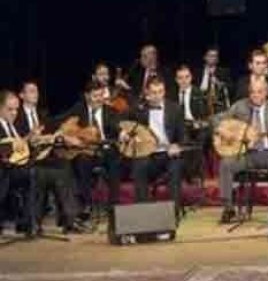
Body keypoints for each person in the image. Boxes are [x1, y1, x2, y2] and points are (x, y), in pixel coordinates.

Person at [15, 82, 86, 234]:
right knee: (42, 173)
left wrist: (61, 137)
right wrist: (31, 137)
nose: (36, 94)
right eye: (32, 91)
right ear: (22, 95)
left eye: (37, 91)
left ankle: (69, 219)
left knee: (64, 167)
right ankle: (32, 221)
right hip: (26, 158)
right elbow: (15, 141)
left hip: (45, 155)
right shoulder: (16, 115)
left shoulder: (43, 114)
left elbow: (52, 134)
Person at [216, 78, 268, 224]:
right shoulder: (239, 107)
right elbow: (217, 121)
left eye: (259, 92)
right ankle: (228, 208)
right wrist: (235, 134)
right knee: (226, 163)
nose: (255, 95)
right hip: (246, 154)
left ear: (266, 93)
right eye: (252, 92)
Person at [58, 81, 121, 220]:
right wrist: (66, 136)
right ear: (87, 96)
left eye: (101, 95)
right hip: (86, 151)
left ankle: (114, 206)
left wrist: (121, 133)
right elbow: (61, 122)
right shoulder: (78, 109)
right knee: (81, 161)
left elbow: (117, 127)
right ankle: (86, 204)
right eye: (95, 96)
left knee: (114, 158)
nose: (99, 99)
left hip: (106, 149)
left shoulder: (111, 111)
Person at [129, 77, 184, 213]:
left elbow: (183, 135)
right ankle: (144, 211)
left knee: (175, 167)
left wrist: (177, 145)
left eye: (160, 92)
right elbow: (125, 123)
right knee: (139, 165)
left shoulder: (175, 109)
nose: (157, 96)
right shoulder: (139, 109)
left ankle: (173, 212)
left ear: (164, 91)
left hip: (168, 154)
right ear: (147, 92)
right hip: (148, 153)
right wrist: (124, 133)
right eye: (153, 92)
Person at [0, 91, 35, 236]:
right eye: (10, 109)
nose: (14, 113)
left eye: (16, 109)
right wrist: (12, 147)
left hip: (15, 167)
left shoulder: (14, 126)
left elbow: (21, 149)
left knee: (35, 173)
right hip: (3, 169)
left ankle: (25, 222)